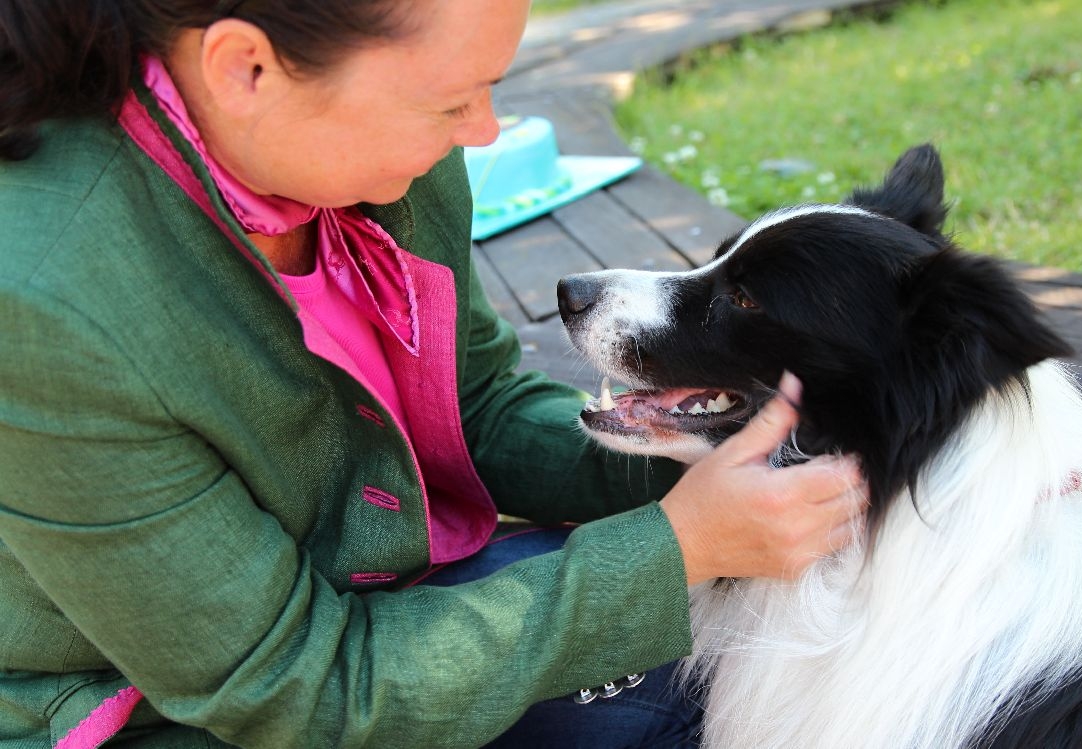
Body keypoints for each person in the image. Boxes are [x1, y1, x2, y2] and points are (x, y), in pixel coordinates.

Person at [0, 1, 867, 746]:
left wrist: (706, 455)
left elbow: (472, 402)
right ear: (248, 68)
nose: (484, 130)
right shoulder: (44, 303)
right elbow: (292, 689)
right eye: (452, 100)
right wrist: (678, 547)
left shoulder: (362, 157)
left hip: (375, 606)